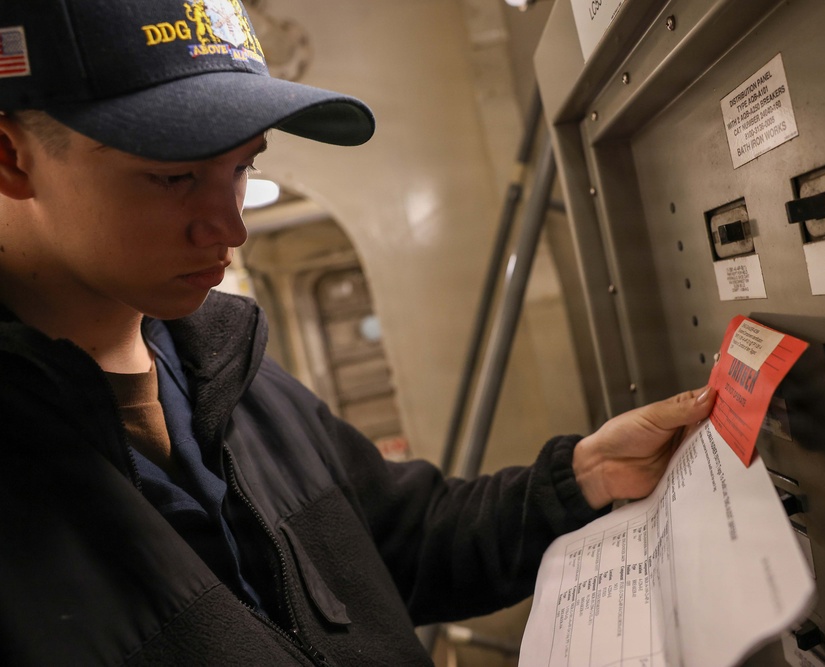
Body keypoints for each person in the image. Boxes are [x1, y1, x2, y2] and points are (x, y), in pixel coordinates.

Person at [0, 1, 716, 665]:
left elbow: (401, 544)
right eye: (173, 177)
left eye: (243, 166)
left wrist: (582, 477)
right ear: (12, 155)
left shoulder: (223, 368)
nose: (232, 228)